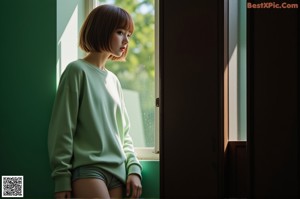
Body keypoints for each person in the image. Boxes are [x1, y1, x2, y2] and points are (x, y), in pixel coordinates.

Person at [48, 4, 142, 199]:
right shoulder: (76, 71)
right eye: (119, 32)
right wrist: (61, 179)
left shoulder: (114, 81)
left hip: (118, 174)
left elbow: (124, 135)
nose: (126, 40)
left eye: (129, 35)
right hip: (89, 170)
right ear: (102, 30)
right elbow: (63, 129)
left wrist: (133, 169)